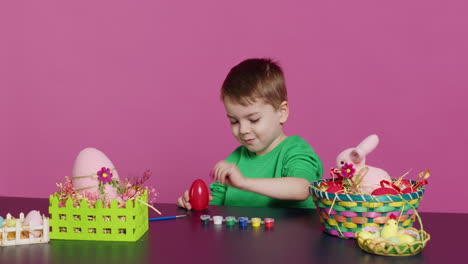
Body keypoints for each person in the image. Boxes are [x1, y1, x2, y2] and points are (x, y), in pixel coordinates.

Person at [177, 58, 323, 209]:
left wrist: (244, 183)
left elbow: (303, 188)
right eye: (234, 121)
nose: (243, 130)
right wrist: (196, 204)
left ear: (282, 112)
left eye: (253, 120)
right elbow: (214, 205)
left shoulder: (295, 150)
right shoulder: (235, 159)